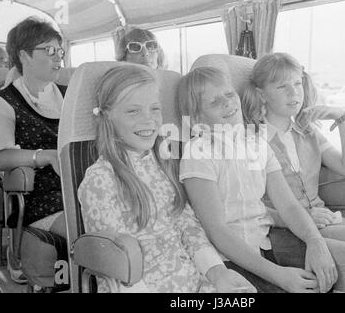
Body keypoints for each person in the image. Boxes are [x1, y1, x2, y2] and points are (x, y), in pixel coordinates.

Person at [178, 66, 345, 293]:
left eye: (229, 94)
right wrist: (280, 276)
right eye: (214, 102)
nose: (227, 103)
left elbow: (289, 205)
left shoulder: (257, 144)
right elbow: (218, 231)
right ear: (196, 117)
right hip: (228, 258)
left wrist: (315, 242)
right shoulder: (198, 153)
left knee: (343, 263)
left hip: (265, 240)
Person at [78, 64, 256, 293]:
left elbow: (187, 226)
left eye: (155, 109)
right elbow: (115, 263)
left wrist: (217, 272)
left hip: (195, 283)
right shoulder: (100, 180)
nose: (149, 120)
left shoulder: (164, 165)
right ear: (107, 117)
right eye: (133, 111)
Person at [242, 52, 345, 292]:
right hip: (285, 227)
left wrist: (341, 119)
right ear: (261, 94)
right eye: (282, 87)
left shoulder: (307, 131)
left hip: (322, 217)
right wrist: (306, 216)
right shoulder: (252, 141)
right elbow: (248, 204)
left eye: (297, 83)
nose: (294, 93)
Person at [0, 18, 67, 283]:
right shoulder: (2, 103)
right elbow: (1, 157)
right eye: (49, 51)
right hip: (44, 196)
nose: (59, 58)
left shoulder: (74, 96)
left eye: (61, 51)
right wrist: (44, 155)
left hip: (84, 186)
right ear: (24, 56)